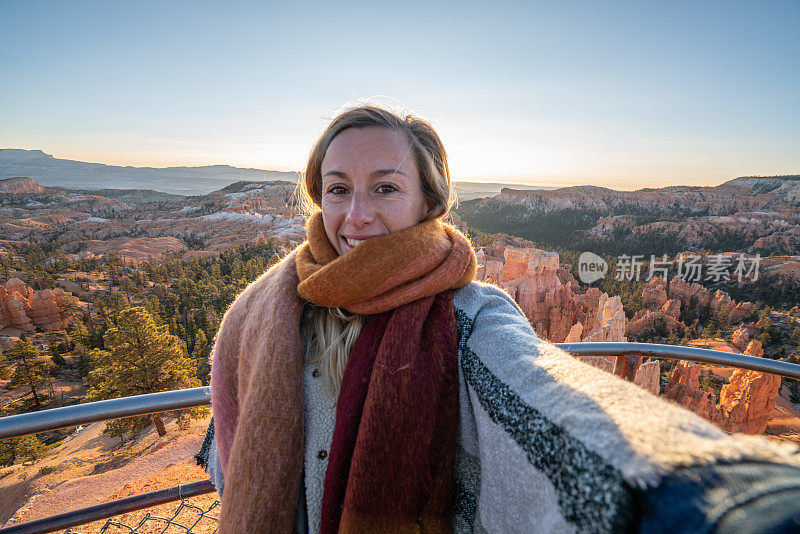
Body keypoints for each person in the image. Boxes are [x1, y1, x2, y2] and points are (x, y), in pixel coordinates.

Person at [197, 105, 800, 533]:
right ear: (317, 196)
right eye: (337, 188)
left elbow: (547, 392)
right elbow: (234, 450)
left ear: (429, 202)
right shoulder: (269, 314)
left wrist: (721, 500)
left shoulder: (471, 315)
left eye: (384, 188)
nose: (355, 215)